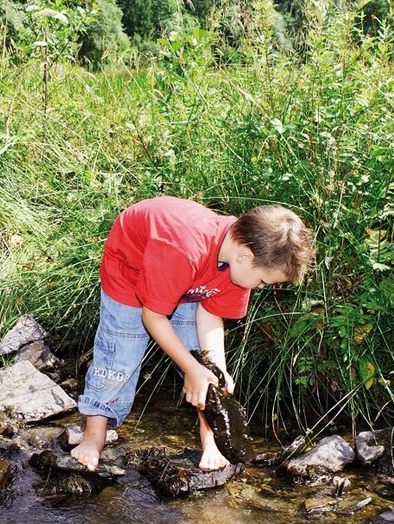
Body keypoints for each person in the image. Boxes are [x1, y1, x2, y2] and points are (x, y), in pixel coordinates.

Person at [70, 195, 314, 471]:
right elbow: (153, 316)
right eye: (262, 281)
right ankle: (93, 435)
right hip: (130, 273)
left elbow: (210, 317)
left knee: (204, 367)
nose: (260, 287)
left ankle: (211, 440)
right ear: (245, 256)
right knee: (120, 354)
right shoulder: (184, 249)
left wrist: (216, 371)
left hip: (188, 280)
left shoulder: (239, 263)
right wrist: (189, 367)